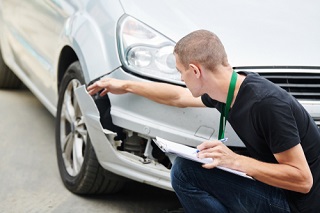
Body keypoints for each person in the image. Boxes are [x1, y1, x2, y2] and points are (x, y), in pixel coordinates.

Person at [87, 30, 320, 213]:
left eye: (181, 72)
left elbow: (302, 180)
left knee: (185, 172)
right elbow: (178, 97)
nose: (180, 78)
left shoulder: (266, 104)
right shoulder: (227, 90)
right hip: (278, 191)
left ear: (195, 71)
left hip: (297, 205)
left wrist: (235, 161)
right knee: (189, 166)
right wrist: (125, 85)